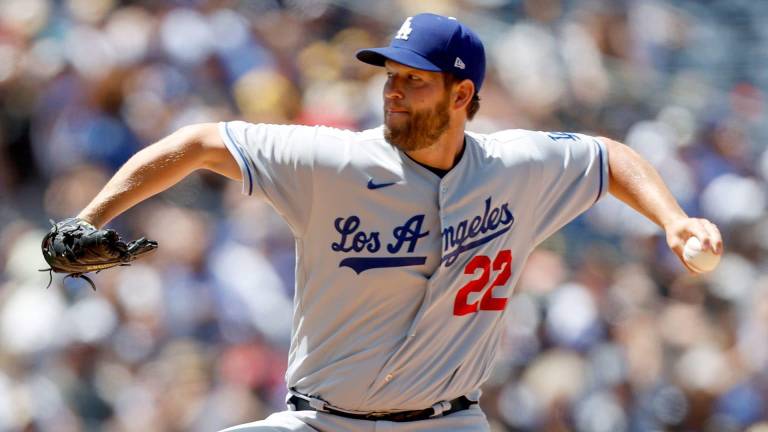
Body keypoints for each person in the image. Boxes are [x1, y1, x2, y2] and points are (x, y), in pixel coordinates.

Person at [71, 13, 722, 432]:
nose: (393, 91)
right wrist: (90, 217)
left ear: (462, 95)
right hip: (323, 422)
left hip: (447, 423)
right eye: (391, 76)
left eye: (415, 80)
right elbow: (200, 143)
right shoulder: (332, 161)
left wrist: (674, 219)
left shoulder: (513, 165)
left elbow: (607, 157)